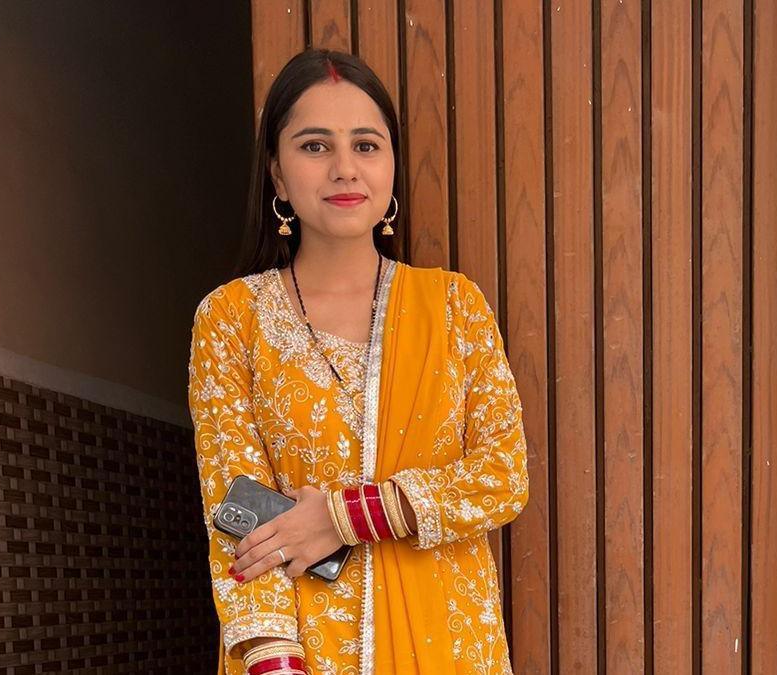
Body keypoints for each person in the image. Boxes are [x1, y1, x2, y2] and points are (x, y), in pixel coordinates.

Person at [187, 49, 529, 675]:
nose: (345, 168)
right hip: (306, 651)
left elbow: (502, 476)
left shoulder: (453, 307)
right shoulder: (232, 319)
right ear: (278, 176)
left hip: (447, 642)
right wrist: (275, 663)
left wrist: (343, 516)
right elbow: (237, 520)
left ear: (392, 168)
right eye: (315, 146)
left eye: (366, 145)